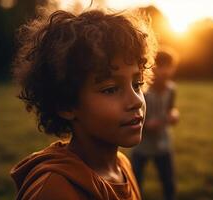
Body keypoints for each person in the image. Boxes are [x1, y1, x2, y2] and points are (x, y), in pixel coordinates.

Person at [10, 8, 157, 200]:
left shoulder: (122, 165)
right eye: (110, 89)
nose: (136, 101)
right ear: (66, 104)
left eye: (137, 84)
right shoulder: (56, 189)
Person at [130, 48, 179, 200]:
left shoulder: (171, 89)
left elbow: (171, 109)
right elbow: (134, 116)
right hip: (142, 144)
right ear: (151, 66)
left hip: (163, 143)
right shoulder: (143, 91)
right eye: (160, 65)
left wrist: (174, 114)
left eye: (168, 66)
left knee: (168, 181)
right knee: (135, 182)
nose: (164, 71)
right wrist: (146, 126)